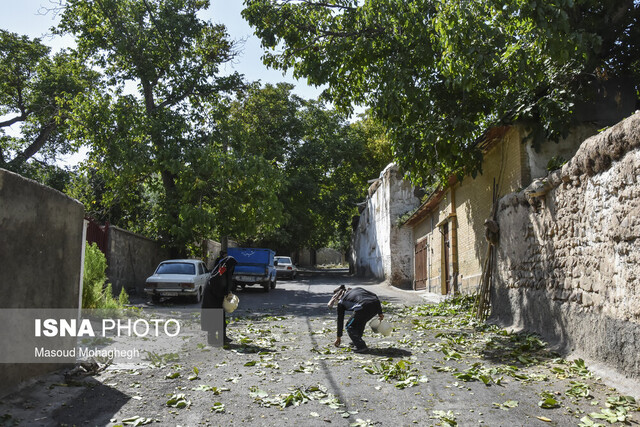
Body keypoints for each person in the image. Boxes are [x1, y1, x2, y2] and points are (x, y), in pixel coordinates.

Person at [329, 285, 384, 353]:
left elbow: (340, 320)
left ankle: (361, 347)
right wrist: (380, 313)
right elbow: (374, 296)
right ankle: (356, 341)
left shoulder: (341, 301)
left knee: (349, 326)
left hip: (363, 306)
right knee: (360, 321)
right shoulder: (357, 289)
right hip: (376, 305)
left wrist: (338, 337)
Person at [201, 251, 237, 346]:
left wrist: (227, 292)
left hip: (218, 299)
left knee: (220, 319)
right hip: (211, 300)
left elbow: (226, 284)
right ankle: (212, 340)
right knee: (212, 320)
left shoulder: (225, 272)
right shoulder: (219, 272)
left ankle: (223, 338)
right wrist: (222, 293)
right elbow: (214, 282)